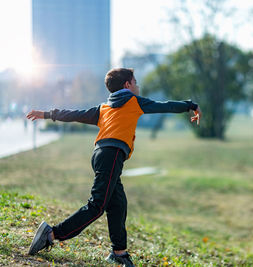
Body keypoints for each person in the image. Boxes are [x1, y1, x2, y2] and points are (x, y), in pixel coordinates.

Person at [26, 68, 202, 267]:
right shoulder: (135, 102)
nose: (137, 85)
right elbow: (166, 106)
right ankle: (51, 233)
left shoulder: (103, 108)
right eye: (135, 82)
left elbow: (75, 114)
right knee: (97, 205)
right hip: (112, 155)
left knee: (118, 203)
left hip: (101, 155)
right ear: (127, 85)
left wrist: (48, 114)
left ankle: (119, 252)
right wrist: (191, 105)